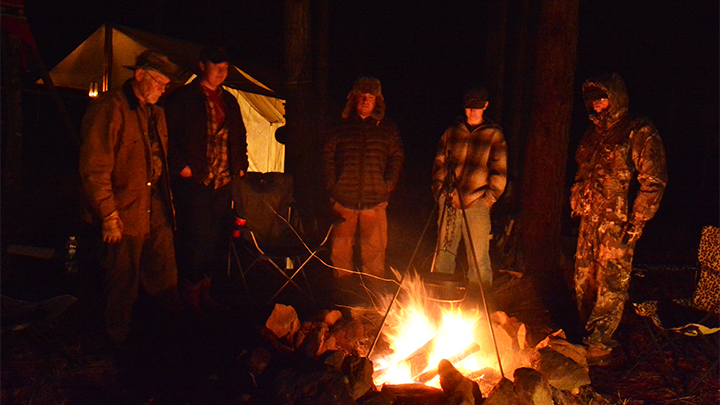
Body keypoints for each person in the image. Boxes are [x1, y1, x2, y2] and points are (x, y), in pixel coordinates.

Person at [79, 50, 183, 347]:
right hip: (123, 211)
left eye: (166, 84)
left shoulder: (156, 114)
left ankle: (169, 342)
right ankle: (116, 344)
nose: (163, 89)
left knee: (164, 275)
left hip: (154, 206)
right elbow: (95, 168)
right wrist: (108, 215)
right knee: (121, 282)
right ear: (139, 75)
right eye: (159, 82)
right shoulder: (110, 108)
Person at [570, 72, 667, 365]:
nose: (598, 105)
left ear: (616, 97)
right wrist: (577, 199)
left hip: (618, 224)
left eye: (603, 98)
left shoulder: (637, 130)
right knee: (583, 279)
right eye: (593, 100)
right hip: (589, 221)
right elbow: (581, 171)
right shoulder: (593, 134)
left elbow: (654, 179)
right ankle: (585, 334)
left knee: (610, 283)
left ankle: (600, 344)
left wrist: (637, 219)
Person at [165, 45, 248, 315]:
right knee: (195, 240)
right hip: (195, 182)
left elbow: (239, 137)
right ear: (202, 66)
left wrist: (241, 165)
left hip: (223, 184)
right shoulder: (184, 99)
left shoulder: (230, 102)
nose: (223, 72)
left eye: (226, 68)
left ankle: (205, 291)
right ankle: (188, 294)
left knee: (216, 240)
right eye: (217, 67)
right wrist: (182, 168)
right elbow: (164, 137)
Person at [322, 77, 404, 300]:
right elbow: (328, 155)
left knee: (375, 254)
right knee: (340, 252)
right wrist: (333, 185)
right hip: (343, 199)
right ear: (354, 98)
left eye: (370, 97)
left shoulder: (387, 129)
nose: (366, 101)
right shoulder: (339, 126)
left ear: (377, 100)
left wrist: (387, 185)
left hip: (375, 200)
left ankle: (374, 299)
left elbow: (397, 156)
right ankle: (343, 298)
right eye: (362, 96)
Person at [431, 86, 507, 296]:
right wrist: (440, 191)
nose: (472, 112)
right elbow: (439, 163)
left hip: (477, 203)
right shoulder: (452, 132)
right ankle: (442, 298)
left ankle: (479, 302)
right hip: (450, 201)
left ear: (485, 106)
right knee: (444, 253)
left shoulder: (493, 135)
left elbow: (500, 171)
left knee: (478, 257)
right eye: (469, 107)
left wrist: (488, 200)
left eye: (477, 107)